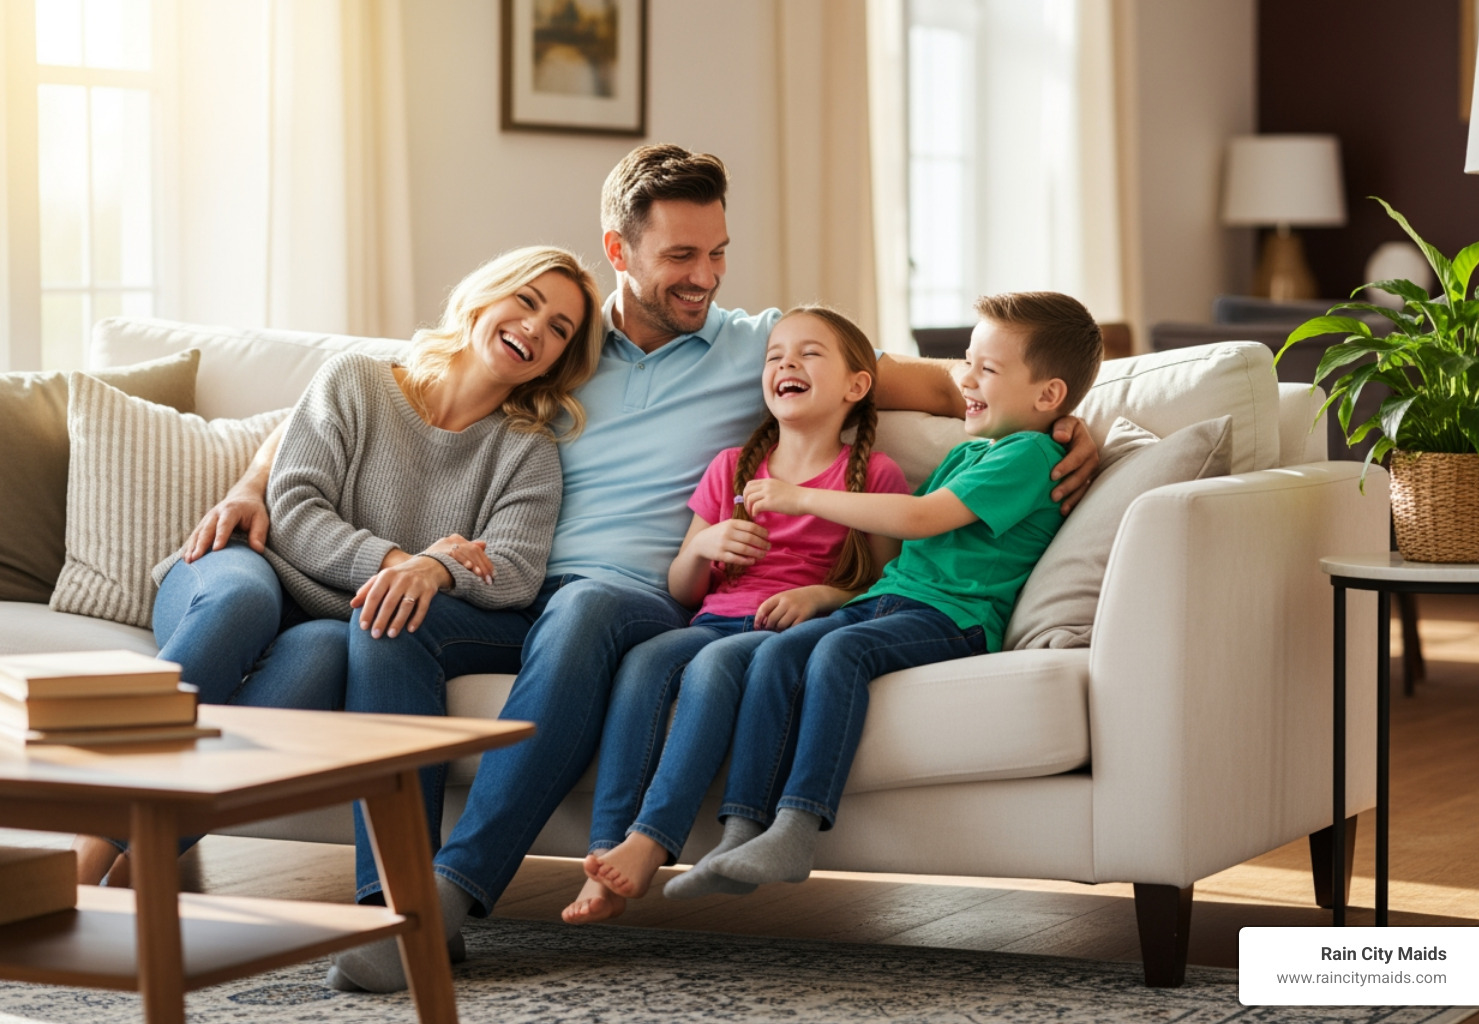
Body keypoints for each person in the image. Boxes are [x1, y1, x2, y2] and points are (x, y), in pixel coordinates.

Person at [186, 144, 1100, 994]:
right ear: (619, 249)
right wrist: (256, 479)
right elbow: (393, 385)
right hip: (513, 585)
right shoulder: (561, 343)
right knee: (388, 619)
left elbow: (954, 388)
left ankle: (458, 886)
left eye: (718, 253)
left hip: (636, 598)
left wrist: (1077, 425)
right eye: (680, 257)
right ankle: (391, 910)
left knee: (583, 612)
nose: (704, 277)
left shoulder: (759, 346)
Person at [71, 245, 604, 889]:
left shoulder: (527, 449)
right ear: (484, 297)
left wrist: (437, 572)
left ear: (561, 359)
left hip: (329, 618)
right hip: (249, 567)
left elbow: (516, 570)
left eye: (559, 330)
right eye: (527, 301)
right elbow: (292, 507)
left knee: (329, 653)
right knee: (245, 603)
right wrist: (403, 560)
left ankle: (141, 861)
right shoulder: (358, 379)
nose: (535, 329)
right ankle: (86, 845)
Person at [667, 291, 1103, 896]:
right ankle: (742, 832)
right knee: (775, 651)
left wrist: (801, 498)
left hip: (956, 615)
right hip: (891, 600)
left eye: (986, 369)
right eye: (967, 361)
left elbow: (921, 519)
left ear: (1049, 396)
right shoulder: (979, 447)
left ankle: (796, 827)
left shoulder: (1029, 455)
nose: (965, 379)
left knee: (840, 654)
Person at [562, 305, 909, 924]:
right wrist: (702, 545)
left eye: (809, 353)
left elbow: (889, 583)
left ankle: (651, 840)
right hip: (713, 619)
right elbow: (685, 587)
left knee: (716, 666)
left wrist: (821, 596)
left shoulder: (873, 475)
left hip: (783, 631)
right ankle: (604, 848)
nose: (786, 364)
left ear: (857, 386)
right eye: (775, 355)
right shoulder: (731, 468)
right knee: (643, 664)